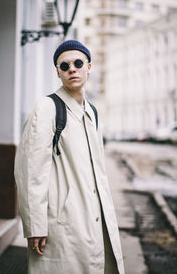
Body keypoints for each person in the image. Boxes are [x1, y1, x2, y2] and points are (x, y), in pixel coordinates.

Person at [14, 40, 124, 274]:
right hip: (63, 224)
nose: (71, 69)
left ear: (89, 66)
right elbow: (30, 172)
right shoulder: (47, 108)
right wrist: (35, 226)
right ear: (58, 72)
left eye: (77, 63)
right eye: (64, 65)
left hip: (95, 220)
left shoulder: (92, 112)